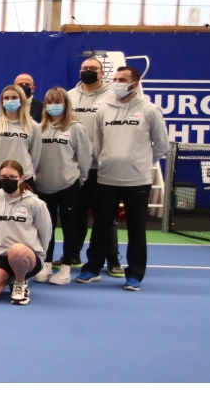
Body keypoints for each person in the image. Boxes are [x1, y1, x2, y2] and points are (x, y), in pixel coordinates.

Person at [76, 65, 169, 291]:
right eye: (115, 78)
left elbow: (162, 145)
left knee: (136, 229)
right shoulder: (104, 110)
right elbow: (98, 142)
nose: (117, 82)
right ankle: (93, 268)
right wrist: (107, 160)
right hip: (107, 178)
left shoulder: (149, 110)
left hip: (137, 181)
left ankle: (135, 273)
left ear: (135, 84)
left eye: (123, 79)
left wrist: (140, 163)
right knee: (101, 225)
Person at [65, 56, 123, 275]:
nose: (87, 71)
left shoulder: (113, 96)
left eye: (92, 68)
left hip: (103, 169)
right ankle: (72, 254)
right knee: (76, 215)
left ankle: (112, 259)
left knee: (106, 218)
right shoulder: (69, 96)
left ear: (102, 73)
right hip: (76, 168)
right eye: (84, 68)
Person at [33, 87, 93, 285]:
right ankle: (46, 264)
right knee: (45, 229)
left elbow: (85, 159)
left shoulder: (76, 128)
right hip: (43, 186)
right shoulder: (38, 128)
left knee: (69, 228)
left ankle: (66, 267)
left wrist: (78, 179)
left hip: (68, 186)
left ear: (66, 105)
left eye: (58, 102)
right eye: (49, 102)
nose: (53, 106)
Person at [0, 160, 52, 305]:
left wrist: (41, 253)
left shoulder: (34, 203)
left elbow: (46, 231)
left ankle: (20, 283)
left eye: (12, 177)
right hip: (1, 255)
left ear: (21, 178)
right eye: (3, 177)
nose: (7, 180)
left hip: (27, 258)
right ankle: (10, 278)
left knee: (16, 250)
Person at [0, 84, 43, 194]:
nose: (10, 101)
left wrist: (25, 170)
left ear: (21, 100)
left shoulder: (33, 126)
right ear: (2, 101)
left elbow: (35, 155)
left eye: (14, 98)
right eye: (6, 98)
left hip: (23, 179)